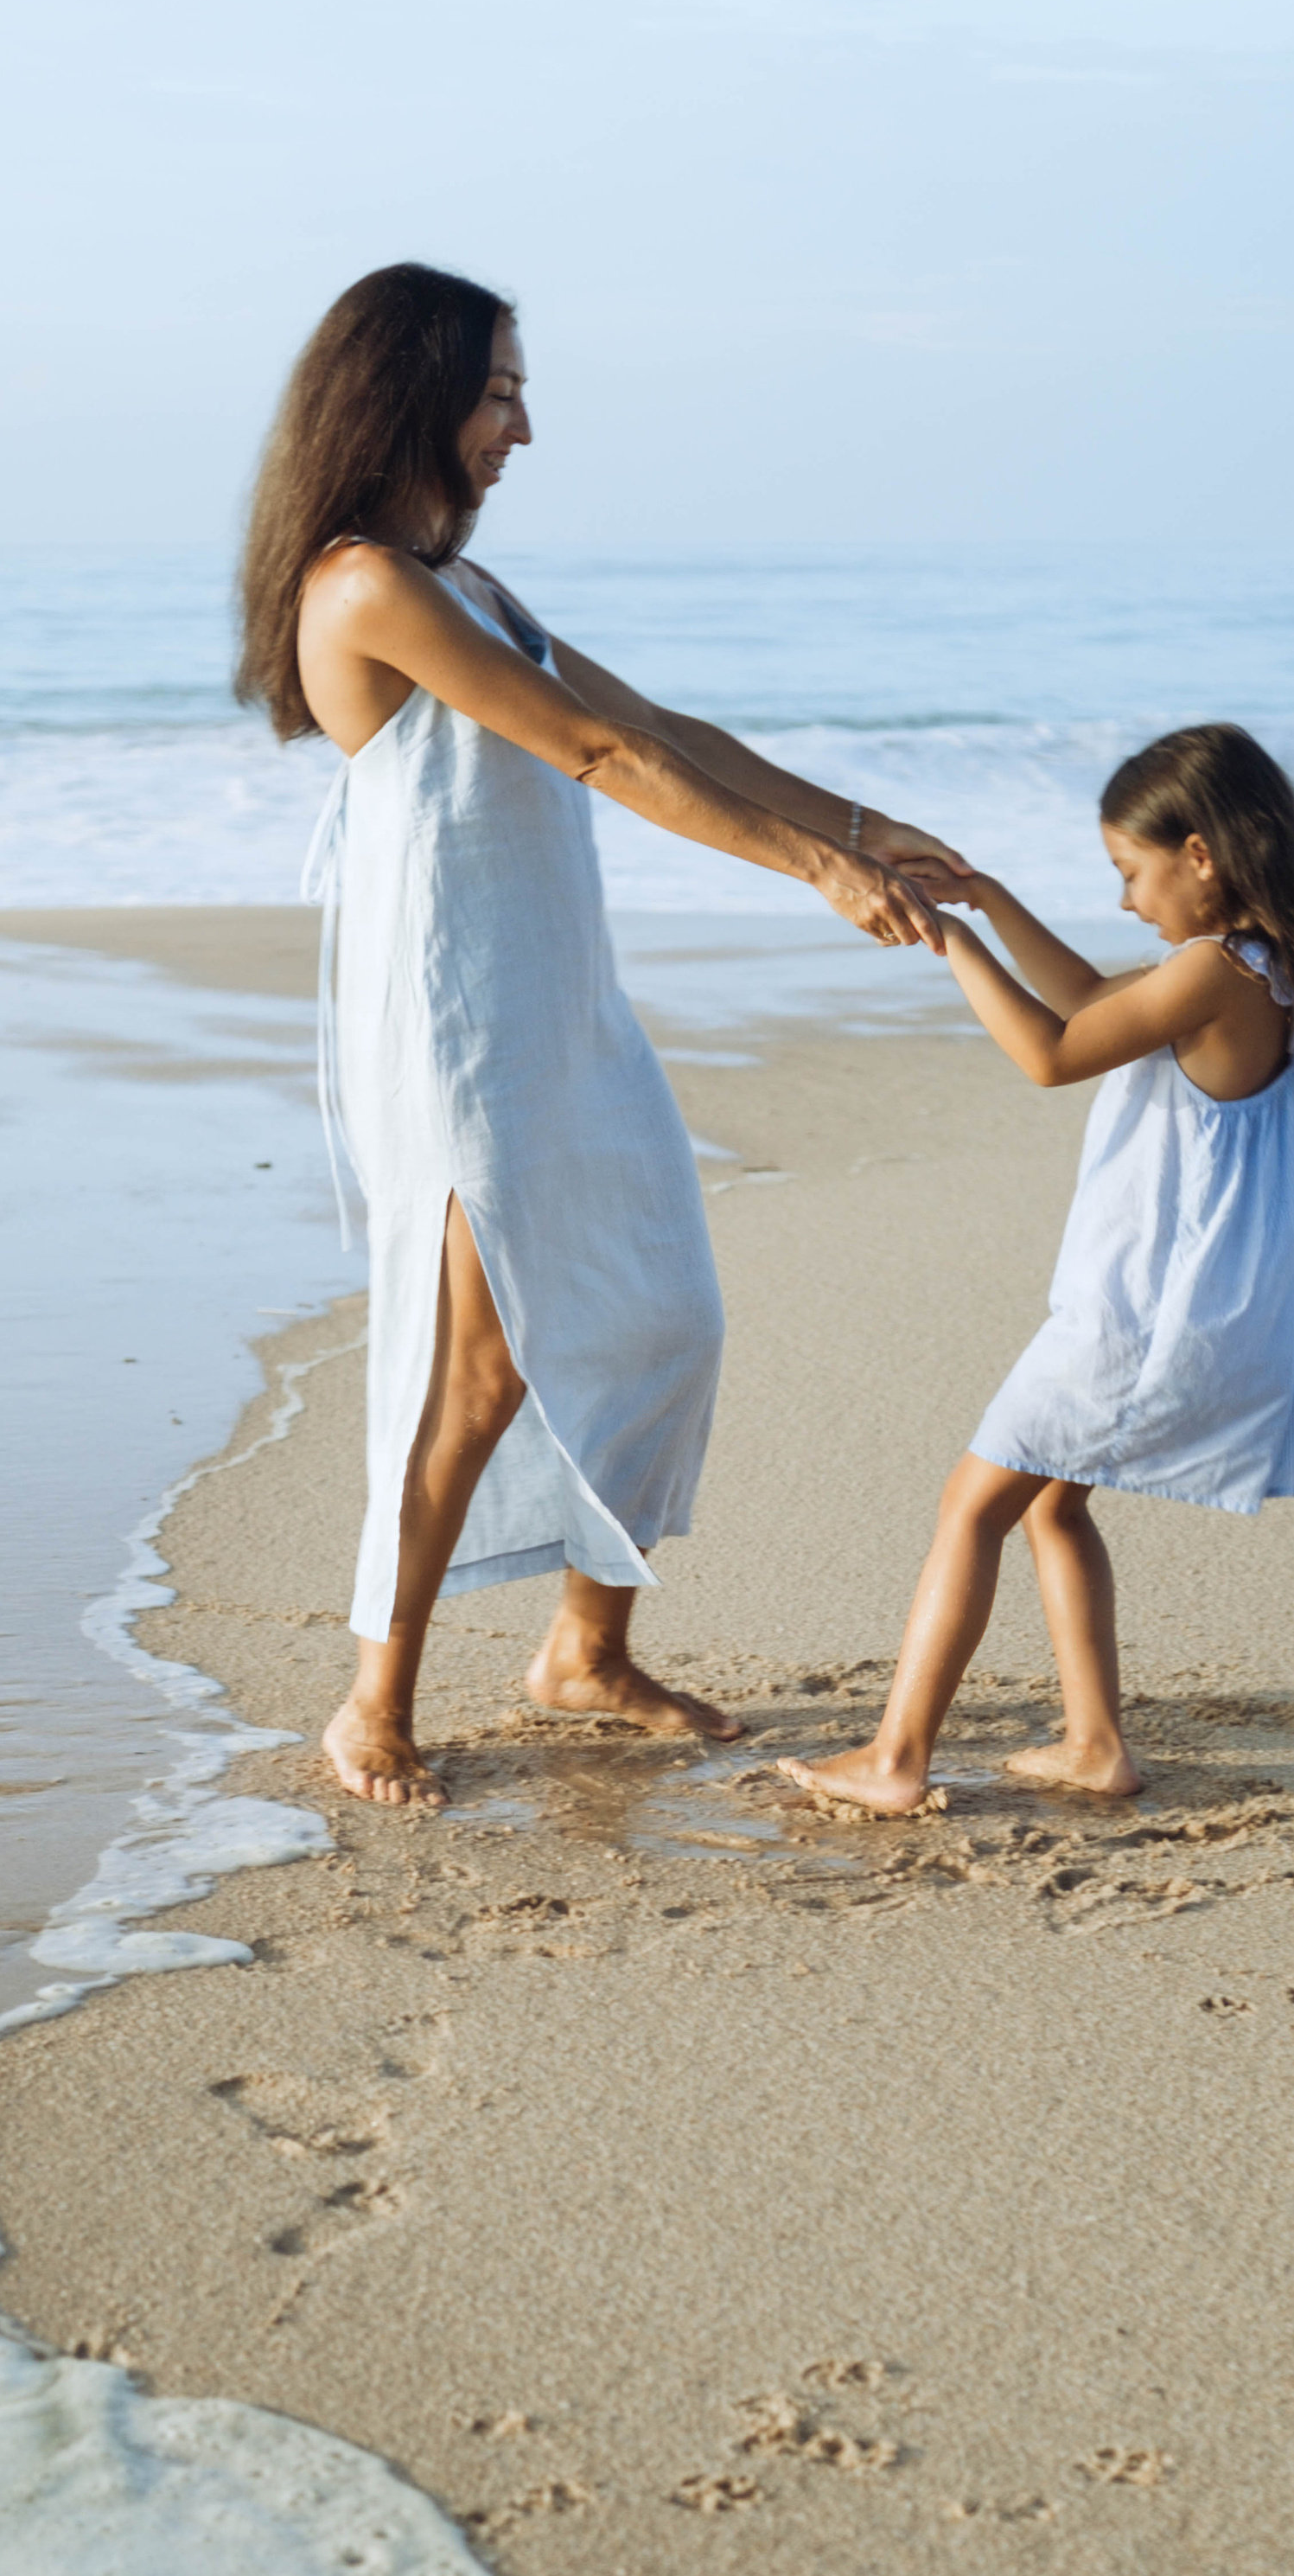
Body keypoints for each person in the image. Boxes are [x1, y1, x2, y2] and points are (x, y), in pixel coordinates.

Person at [236, 262, 963, 1806]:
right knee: (482, 1363)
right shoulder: (363, 586)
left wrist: (861, 822)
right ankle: (375, 1700)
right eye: (500, 390)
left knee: (661, 1314)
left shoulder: (473, 593)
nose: (523, 426)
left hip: (562, 1006)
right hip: (459, 1025)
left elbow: (666, 728)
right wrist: (813, 873)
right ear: (411, 396)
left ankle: (584, 1650)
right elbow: (592, 751)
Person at [783, 720, 1294, 1816]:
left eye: (1131, 872)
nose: (1126, 899)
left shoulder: (1217, 971)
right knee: (1050, 1507)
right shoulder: (1252, 961)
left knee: (972, 1503)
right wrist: (987, 895)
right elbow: (1085, 997)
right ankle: (1094, 1745)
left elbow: (1050, 1052)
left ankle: (894, 1760)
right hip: (1164, 1294)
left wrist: (944, 939)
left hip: (1139, 1310)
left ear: (1201, 855)